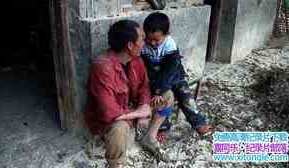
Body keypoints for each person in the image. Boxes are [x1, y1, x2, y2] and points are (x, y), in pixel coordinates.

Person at [139, 12, 212, 159]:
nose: (152, 43)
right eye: (149, 39)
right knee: (160, 99)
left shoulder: (170, 45)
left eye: (156, 40)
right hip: (155, 78)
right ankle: (161, 128)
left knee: (185, 95)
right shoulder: (143, 45)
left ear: (167, 35)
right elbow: (145, 68)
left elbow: (170, 70)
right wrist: (157, 88)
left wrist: (160, 88)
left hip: (174, 76)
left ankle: (198, 122)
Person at [85, 20, 151, 168]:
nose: (144, 42)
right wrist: (139, 113)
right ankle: (116, 164)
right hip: (109, 120)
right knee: (119, 127)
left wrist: (144, 104)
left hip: (130, 109)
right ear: (130, 45)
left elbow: (144, 87)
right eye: (141, 38)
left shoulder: (136, 60)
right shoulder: (102, 67)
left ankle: (150, 138)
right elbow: (109, 113)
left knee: (167, 97)